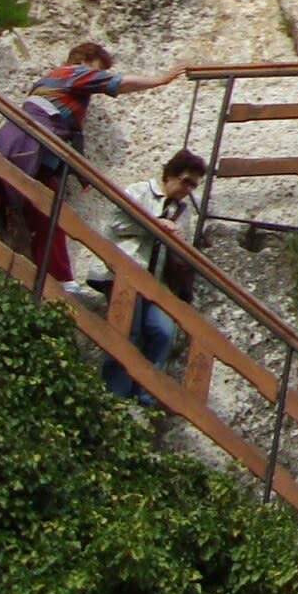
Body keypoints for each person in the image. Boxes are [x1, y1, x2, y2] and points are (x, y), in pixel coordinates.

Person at [0, 42, 185, 290]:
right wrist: (161, 80)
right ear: (84, 61)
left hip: (28, 151)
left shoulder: (59, 81)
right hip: (25, 146)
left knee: (45, 212)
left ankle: (60, 277)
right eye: (98, 69)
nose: (97, 79)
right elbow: (117, 82)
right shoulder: (72, 73)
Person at [98, 149, 207, 405]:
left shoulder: (183, 211)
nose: (187, 189)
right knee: (128, 331)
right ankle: (115, 396)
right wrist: (155, 224)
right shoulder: (139, 192)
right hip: (127, 272)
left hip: (157, 282)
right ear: (170, 175)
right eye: (185, 181)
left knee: (163, 332)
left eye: (193, 186)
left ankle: (145, 398)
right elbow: (116, 223)